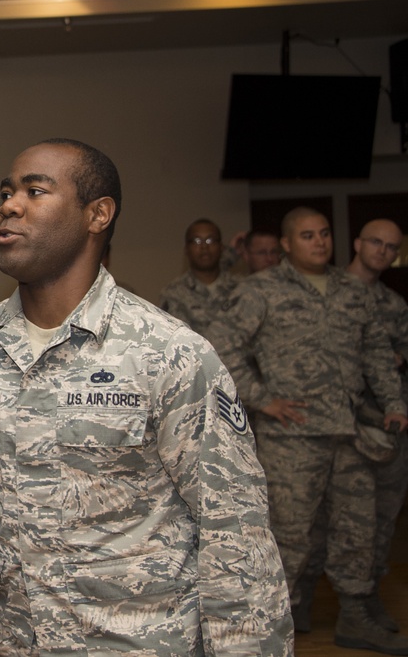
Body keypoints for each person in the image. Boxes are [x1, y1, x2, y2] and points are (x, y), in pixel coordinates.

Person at [0, 138, 293, 655]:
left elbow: (234, 530)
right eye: (7, 192)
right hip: (20, 641)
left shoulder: (167, 353)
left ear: (97, 214)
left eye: (36, 191)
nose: (8, 206)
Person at [207, 207, 408, 655]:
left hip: (349, 432)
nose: (319, 242)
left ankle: (355, 615)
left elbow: (377, 350)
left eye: (323, 234)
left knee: (356, 527)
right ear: (286, 244)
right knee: (290, 535)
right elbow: (220, 346)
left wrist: (394, 403)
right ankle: (279, 616)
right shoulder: (260, 289)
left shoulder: (351, 290)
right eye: (307, 235)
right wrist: (261, 398)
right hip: (290, 438)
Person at [293, 218, 408, 637]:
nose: (382, 251)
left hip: (377, 431)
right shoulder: (318, 288)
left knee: (369, 523)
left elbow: (385, 357)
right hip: (319, 429)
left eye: (391, 246)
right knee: (311, 525)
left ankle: (362, 602)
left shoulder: (390, 304)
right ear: (358, 243)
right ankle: (304, 603)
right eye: (375, 242)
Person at [159, 218, 240, 337]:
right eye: (196, 241)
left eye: (210, 240)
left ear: (221, 247)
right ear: (186, 249)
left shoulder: (241, 289)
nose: (204, 247)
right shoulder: (172, 293)